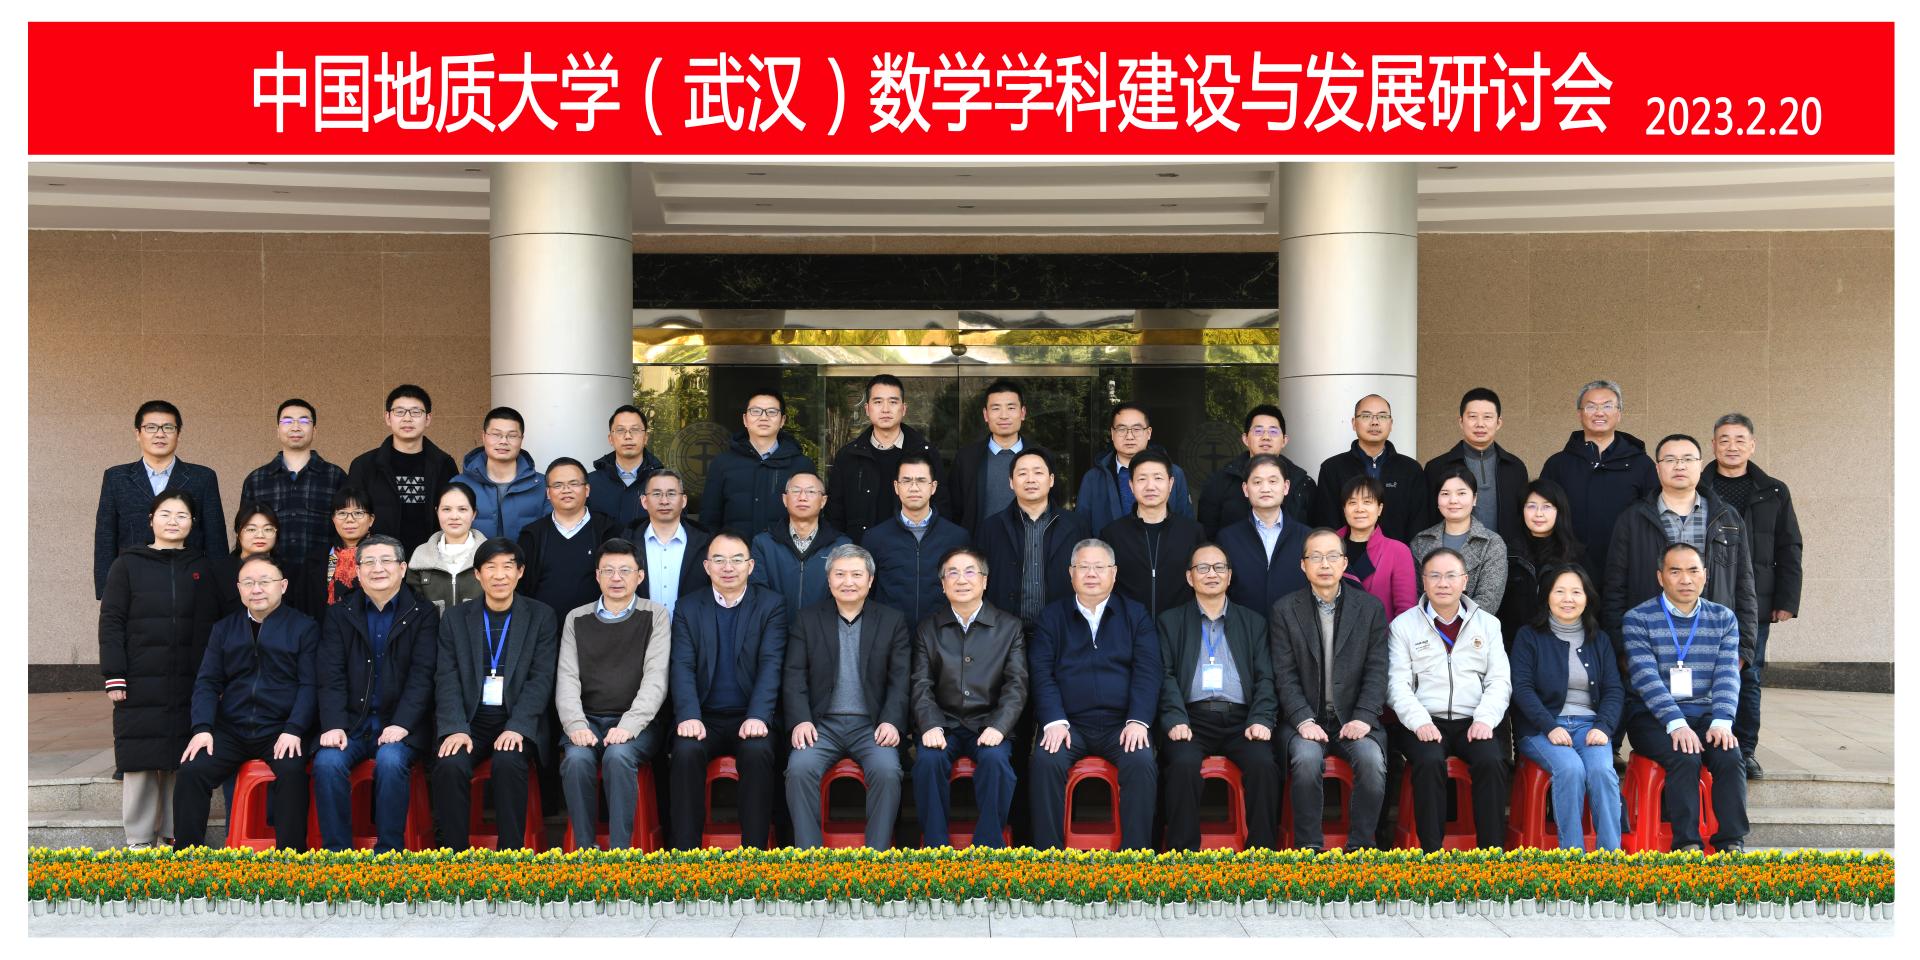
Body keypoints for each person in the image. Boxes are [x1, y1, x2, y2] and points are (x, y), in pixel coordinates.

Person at [98, 490, 222, 848]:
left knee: (180, 756)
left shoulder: (202, 566)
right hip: (140, 677)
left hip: (188, 677)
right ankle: (139, 840)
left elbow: (212, 624)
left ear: (192, 524)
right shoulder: (127, 564)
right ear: (151, 519)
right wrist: (114, 674)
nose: (173, 521)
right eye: (165, 514)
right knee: (139, 757)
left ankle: (173, 833)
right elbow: (111, 621)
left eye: (182, 515)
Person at [172, 554, 318, 850]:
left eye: (265, 581)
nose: (256, 589)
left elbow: (310, 685)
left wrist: (294, 729)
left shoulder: (304, 627)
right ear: (238, 589)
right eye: (248, 583)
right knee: (191, 770)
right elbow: (207, 682)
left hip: (280, 729)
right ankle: (186, 856)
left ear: (283, 586)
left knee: (292, 772)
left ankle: (292, 858)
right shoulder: (224, 628)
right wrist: (202, 728)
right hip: (232, 729)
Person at [1027, 539, 1162, 850]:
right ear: (1070, 573)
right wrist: (1054, 721)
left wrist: (1138, 720)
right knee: (1046, 761)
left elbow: (1148, 671)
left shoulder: (1135, 615)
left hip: (1121, 725)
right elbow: (1041, 673)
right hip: (1069, 724)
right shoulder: (1052, 617)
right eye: (1083, 567)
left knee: (1141, 761)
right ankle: (1048, 859)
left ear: (1113, 573)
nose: (1091, 574)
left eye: (1099, 567)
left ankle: (1136, 859)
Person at [429, 538, 559, 850]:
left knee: (508, 762)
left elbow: (540, 679)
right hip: (470, 721)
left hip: (514, 719)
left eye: (507, 567)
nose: (499, 575)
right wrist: (455, 727)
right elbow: (446, 678)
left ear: (520, 572)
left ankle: (509, 856)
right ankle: (454, 856)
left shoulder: (541, 616)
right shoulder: (456, 618)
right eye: (490, 567)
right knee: (450, 764)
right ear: (477, 574)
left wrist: (518, 727)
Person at [312, 534, 439, 853]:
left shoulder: (423, 613)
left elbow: (423, 675)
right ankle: (336, 856)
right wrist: (334, 724)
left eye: (386, 561)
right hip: (352, 725)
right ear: (357, 570)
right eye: (368, 562)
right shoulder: (340, 613)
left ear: (402, 568)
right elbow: (330, 675)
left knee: (391, 761)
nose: (377, 568)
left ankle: (387, 855)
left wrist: (403, 724)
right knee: (327, 762)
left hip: (400, 726)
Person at [1619, 543, 1749, 853]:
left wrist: (1722, 720)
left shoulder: (1723, 618)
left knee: (1730, 755)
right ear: (1660, 577)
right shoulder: (1638, 618)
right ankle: (1687, 844)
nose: (1685, 579)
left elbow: (1727, 674)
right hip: (1652, 717)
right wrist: (1676, 723)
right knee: (1685, 755)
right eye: (1675, 571)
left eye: (1693, 571)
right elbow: (1645, 678)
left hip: (1705, 714)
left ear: (1705, 574)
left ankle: (1731, 842)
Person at [782, 544, 911, 849]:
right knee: (799, 769)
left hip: (871, 726)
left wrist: (892, 721)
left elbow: (900, 679)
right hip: (821, 725)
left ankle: (876, 859)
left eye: (856, 574)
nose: (848, 582)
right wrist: (801, 720)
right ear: (829, 580)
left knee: (887, 771)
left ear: (870, 580)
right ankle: (809, 860)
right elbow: (794, 675)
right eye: (840, 574)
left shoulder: (891, 620)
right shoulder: (808, 619)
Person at [1269, 528, 1391, 852]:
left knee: (1372, 761)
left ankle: (1361, 848)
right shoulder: (1285, 610)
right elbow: (1284, 674)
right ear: (1303, 565)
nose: (1325, 564)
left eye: (1332, 556)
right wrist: (1302, 719)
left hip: (1354, 719)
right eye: (1316, 557)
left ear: (1345, 563)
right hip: (1306, 720)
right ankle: (1309, 849)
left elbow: (1377, 670)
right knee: (1306, 760)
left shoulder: (1370, 609)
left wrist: (1364, 716)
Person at [666, 532, 788, 850]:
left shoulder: (771, 605)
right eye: (719, 560)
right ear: (707, 567)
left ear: (751, 566)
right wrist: (689, 715)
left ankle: (754, 854)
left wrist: (758, 715)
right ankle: (687, 856)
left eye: (736, 560)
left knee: (758, 752)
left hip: (750, 715)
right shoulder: (688, 607)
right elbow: (682, 666)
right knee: (685, 752)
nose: (728, 567)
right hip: (703, 716)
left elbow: (771, 664)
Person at [1156, 542, 1280, 851]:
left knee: (1264, 765)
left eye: (1219, 567)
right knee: (1183, 765)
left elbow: (1266, 677)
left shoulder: (1253, 622)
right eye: (1203, 568)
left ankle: (1262, 856)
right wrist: (1175, 719)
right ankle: (1183, 857)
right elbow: (1164, 676)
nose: (1211, 574)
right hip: (1191, 720)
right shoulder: (1170, 622)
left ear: (1229, 576)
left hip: (1242, 721)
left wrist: (1261, 719)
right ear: (1189, 577)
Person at [1386, 548, 1511, 852]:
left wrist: (1485, 719)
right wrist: (1419, 722)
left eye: (1451, 576)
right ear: (1424, 581)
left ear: (1465, 581)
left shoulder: (1488, 624)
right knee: (1429, 762)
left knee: (1492, 761)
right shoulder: (1403, 625)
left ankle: (1492, 855)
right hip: (1425, 721)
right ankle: (1432, 855)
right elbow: (1396, 685)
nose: (1443, 583)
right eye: (1435, 576)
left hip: (1474, 720)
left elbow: (1499, 681)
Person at [555, 538, 672, 850]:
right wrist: (575, 724)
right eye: (608, 570)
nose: (616, 578)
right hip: (587, 720)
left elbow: (656, 680)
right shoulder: (576, 618)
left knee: (619, 757)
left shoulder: (655, 615)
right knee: (576, 760)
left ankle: (620, 854)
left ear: (640, 576)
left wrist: (629, 725)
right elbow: (567, 678)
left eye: (625, 570)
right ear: (597, 576)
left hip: (637, 724)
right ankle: (585, 851)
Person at [1600, 434, 1759, 662]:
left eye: (1687, 459)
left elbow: (1744, 586)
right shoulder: (1633, 519)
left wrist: (1742, 652)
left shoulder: (1727, 517)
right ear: (1657, 468)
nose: (1679, 466)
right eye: (1670, 460)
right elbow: (1615, 589)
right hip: (1649, 643)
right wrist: (1623, 652)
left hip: (1714, 641)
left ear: (1700, 465)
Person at [911, 546, 1027, 849]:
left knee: (996, 762)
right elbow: (921, 684)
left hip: (988, 724)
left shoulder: (1009, 627)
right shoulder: (928, 629)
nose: (961, 580)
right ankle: (935, 848)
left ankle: (988, 848)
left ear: (985, 580)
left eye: (970, 571)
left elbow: (1016, 685)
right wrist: (930, 724)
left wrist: (999, 726)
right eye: (953, 573)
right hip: (944, 725)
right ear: (943, 584)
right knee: (927, 762)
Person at [1708, 413, 1803, 781]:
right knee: (1700, 672)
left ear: (1752, 445)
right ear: (1713, 445)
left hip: (1755, 601)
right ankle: (1706, 744)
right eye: (1724, 439)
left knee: (1748, 674)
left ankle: (1744, 750)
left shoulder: (1774, 491)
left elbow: (1789, 545)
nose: (1732, 446)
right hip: (1705, 596)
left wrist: (1786, 600)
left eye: (1739, 439)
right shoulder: (1699, 486)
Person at [1510, 565, 1624, 851]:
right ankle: (1572, 859)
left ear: (1587, 597)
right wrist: (1550, 726)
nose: (1568, 599)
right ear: (1547, 596)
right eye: (1559, 591)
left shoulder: (1599, 639)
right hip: (1541, 728)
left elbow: (1614, 689)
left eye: (1576, 592)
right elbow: (1521, 688)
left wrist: (1603, 727)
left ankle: (1611, 859)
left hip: (1590, 727)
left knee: (1602, 772)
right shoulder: (1528, 636)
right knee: (1570, 769)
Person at [95, 400, 226, 598]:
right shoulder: (116, 477)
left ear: (178, 434)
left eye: (168, 427)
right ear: (137, 434)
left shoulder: (203, 477)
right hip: (132, 581)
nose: (160, 434)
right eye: (151, 427)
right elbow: (106, 536)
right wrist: (106, 591)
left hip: (188, 582)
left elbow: (215, 538)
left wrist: (220, 590)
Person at [1539, 380, 1658, 577]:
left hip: (1627, 568)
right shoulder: (1558, 464)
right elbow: (1543, 517)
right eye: (1591, 406)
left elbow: (1652, 521)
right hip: (1569, 571)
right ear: (1579, 414)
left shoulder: (1642, 464)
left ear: (1619, 414)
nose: (1599, 413)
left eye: (1608, 406)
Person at [977, 446, 1088, 632]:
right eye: (1022, 473)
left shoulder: (1076, 526)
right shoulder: (991, 528)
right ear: (1011, 482)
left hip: (1063, 629)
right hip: (1005, 632)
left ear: (1051, 480)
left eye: (1038, 472)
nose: (1030, 479)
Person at [825, 373, 946, 544]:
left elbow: (941, 507)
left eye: (893, 402)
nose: (885, 409)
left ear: (903, 409)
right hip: (860, 551)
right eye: (878, 402)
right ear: (867, 409)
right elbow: (835, 514)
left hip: (911, 550)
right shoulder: (848, 456)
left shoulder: (926, 454)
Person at [347, 385, 460, 554]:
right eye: (399, 412)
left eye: (416, 412)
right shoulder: (364, 465)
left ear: (428, 418)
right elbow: (352, 516)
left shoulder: (444, 465)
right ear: (388, 417)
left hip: (433, 560)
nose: (407, 418)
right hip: (380, 560)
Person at [863, 457, 972, 628]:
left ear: (933, 487)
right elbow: (867, 592)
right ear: (896, 487)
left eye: (921, 481)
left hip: (942, 634)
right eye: (906, 481)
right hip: (890, 634)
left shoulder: (957, 537)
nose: (914, 488)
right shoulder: (875, 538)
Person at [1102, 449, 1205, 624]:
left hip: (1181, 629)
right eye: (1142, 479)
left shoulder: (1193, 533)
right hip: (1128, 629)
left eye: (1158, 478)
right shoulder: (1112, 534)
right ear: (1131, 485)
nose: (1150, 486)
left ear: (1171, 484)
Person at [240, 398, 348, 563]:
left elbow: (347, 532)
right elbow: (245, 533)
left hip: (322, 572)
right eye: (287, 421)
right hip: (270, 573)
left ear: (314, 430)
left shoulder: (335, 476)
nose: (295, 427)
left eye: (304, 421)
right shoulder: (256, 480)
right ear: (278, 430)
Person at [699, 390, 817, 539]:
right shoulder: (722, 464)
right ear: (745, 419)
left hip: (785, 551)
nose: (763, 417)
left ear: (782, 420)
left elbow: (812, 518)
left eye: (772, 412)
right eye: (756, 411)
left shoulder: (802, 465)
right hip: (735, 552)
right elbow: (709, 519)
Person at [1314, 395, 1427, 543]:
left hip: (1397, 555)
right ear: (1354, 423)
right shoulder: (1332, 468)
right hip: (1346, 555)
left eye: (1382, 416)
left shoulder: (1410, 469)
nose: (1374, 422)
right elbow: (1327, 522)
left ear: (1391, 424)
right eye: (1366, 416)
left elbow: (1418, 524)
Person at [517, 457, 621, 617]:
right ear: (548, 493)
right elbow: (521, 589)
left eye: (574, 483)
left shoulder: (609, 530)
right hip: (545, 628)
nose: (566, 490)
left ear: (587, 490)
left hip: (599, 626)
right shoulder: (532, 535)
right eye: (558, 485)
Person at [1422, 388, 1528, 543]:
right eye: (1472, 417)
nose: (1480, 424)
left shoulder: (1515, 468)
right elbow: (1428, 518)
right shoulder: (1437, 467)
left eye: (1487, 417)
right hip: (1451, 553)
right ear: (1461, 421)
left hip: (1507, 553)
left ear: (1498, 422)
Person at [1197, 404, 1319, 537]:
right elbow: (1207, 537)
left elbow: (1316, 536)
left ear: (1284, 440)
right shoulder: (1219, 481)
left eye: (1273, 431)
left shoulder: (1303, 483)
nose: (1266, 437)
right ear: (1245, 439)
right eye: (1258, 431)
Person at [749, 472, 852, 625]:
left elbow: (845, 597)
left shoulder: (841, 546)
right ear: (785, 499)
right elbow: (759, 595)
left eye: (811, 491)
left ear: (823, 501)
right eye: (796, 491)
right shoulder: (763, 544)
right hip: (775, 630)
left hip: (823, 632)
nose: (802, 497)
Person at [1076, 402, 1195, 534]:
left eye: (1137, 429)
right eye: (1122, 429)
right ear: (1112, 433)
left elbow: (1186, 525)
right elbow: (1082, 528)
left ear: (1148, 433)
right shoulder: (1093, 478)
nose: (1129, 436)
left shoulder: (1174, 473)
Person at [1215, 455, 1310, 619]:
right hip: (1244, 628)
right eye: (1257, 482)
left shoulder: (1307, 537)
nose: (1265, 488)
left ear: (1286, 487)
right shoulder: (1228, 538)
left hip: (1295, 628)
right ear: (1245, 489)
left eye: (1273, 481)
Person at [1500, 479, 1590, 650]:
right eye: (1531, 506)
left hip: (1563, 648)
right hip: (1515, 648)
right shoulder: (1507, 554)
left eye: (1547, 506)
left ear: (1559, 511)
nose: (1539, 514)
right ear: (1522, 510)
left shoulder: (1577, 556)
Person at [1409, 468, 1509, 614]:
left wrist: (1453, 623)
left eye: (1461, 493)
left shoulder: (1492, 543)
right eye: (1445, 494)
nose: (1453, 500)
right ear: (1437, 499)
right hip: (1425, 624)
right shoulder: (1421, 541)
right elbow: (1414, 594)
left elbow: (1489, 599)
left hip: (1474, 625)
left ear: (1474, 498)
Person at [946, 379, 1033, 535]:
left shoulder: (1040, 457)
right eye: (996, 408)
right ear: (986, 415)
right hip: (979, 545)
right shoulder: (966, 459)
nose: (1004, 416)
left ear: (1023, 413)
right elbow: (954, 510)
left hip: (1030, 544)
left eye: (1011, 408)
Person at [457, 406, 549, 541]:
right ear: (483, 436)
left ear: (521, 439)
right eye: (496, 434)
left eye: (512, 436)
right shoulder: (459, 485)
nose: (503, 441)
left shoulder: (542, 485)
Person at [1335, 476, 1418, 621]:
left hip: (1380, 633)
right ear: (1344, 509)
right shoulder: (1327, 547)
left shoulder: (1398, 551)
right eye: (1352, 502)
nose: (1359, 509)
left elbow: (1406, 611)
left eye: (1367, 502)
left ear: (1379, 509)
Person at [634, 469, 712, 620]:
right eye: (656, 494)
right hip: (641, 631)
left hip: (692, 631)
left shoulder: (706, 544)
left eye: (671, 494)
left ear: (684, 500)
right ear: (644, 501)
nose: (664, 501)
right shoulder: (627, 543)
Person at [293, 486, 376, 617]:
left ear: (371, 520)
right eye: (342, 513)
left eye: (358, 513)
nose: (350, 519)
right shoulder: (316, 559)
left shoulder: (384, 557)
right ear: (333, 519)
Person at [406, 483, 485, 612]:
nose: (454, 516)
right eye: (446, 509)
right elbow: (415, 610)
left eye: (462, 509)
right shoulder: (420, 557)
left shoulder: (490, 556)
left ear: (474, 514)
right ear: (437, 512)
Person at [586, 405, 665, 532]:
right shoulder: (590, 483)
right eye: (620, 430)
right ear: (610, 439)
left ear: (645, 438)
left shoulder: (665, 482)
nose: (628, 436)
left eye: (635, 430)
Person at [209, 503, 295, 615]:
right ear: (238, 533)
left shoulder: (290, 572)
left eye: (268, 529)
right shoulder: (218, 573)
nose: (260, 535)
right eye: (251, 529)